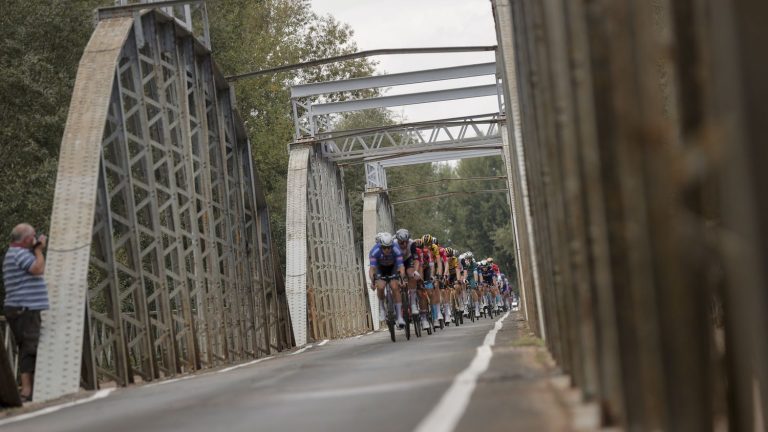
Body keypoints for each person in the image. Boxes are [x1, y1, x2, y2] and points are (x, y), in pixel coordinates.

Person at [2, 223, 49, 402]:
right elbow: (38, 269)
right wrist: (39, 251)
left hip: (21, 307)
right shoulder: (20, 254)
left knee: (26, 347)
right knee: (31, 348)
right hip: (24, 308)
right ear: (28, 239)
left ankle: (28, 389)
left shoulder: (14, 253)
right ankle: (28, 390)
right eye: (34, 236)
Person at [368, 232, 406, 328]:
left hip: (393, 267)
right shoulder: (375, 251)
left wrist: (401, 279)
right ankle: (382, 307)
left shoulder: (396, 249)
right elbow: (372, 269)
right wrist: (373, 281)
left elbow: (401, 267)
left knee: (395, 287)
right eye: (384, 247)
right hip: (380, 268)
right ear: (380, 246)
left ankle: (399, 316)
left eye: (389, 247)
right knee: (380, 286)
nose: (387, 250)